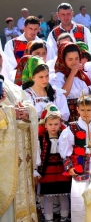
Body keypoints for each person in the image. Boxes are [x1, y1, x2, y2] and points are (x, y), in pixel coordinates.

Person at [0, 49, 39, 222]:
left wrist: (28, 113)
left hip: (21, 160)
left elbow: (29, 105)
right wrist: (10, 114)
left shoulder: (10, 86)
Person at [58, 95, 91, 222]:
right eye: (82, 110)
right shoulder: (72, 128)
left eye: (88, 110)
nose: (85, 113)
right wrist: (69, 166)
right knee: (80, 200)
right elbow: (65, 149)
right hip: (80, 168)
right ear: (77, 110)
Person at [35, 104, 71, 222]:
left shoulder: (64, 136)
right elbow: (38, 154)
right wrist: (36, 168)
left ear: (60, 124)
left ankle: (65, 217)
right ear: (45, 125)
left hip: (61, 170)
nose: (53, 127)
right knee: (48, 196)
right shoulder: (42, 139)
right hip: (47, 171)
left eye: (56, 124)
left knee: (63, 194)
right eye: (50, 124)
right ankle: (48, 218)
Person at [51, 42, 91, 122]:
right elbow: (62, 96)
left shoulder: (83, 75)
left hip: (84, 114)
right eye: (70, 59)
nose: (74, 62)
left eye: (77, 58)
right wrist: (72, 74)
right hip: (69, 116)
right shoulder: (58, 77)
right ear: (63, 59)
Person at [20, 56, 70, 121]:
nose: (45, 80)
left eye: (47, 76)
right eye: (41, 77)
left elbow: (64, 116)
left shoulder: (56, 94)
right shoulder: (26, 95)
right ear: (32, 77)